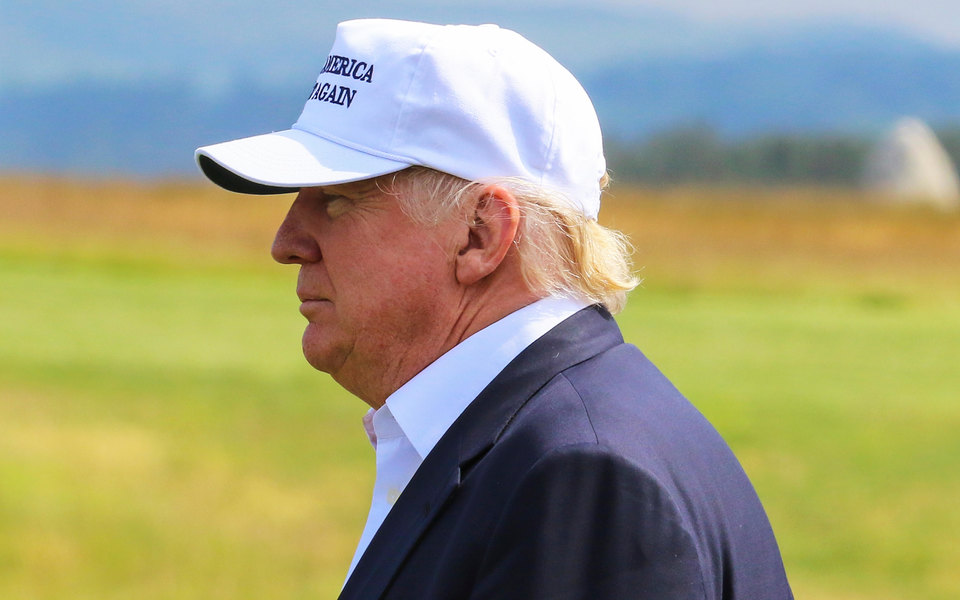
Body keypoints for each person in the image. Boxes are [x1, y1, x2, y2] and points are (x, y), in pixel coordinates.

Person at [194, 18, 793, 600]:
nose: (286, 244)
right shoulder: (548, 441)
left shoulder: (579, 478)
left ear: (481, 235)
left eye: (337, 203)